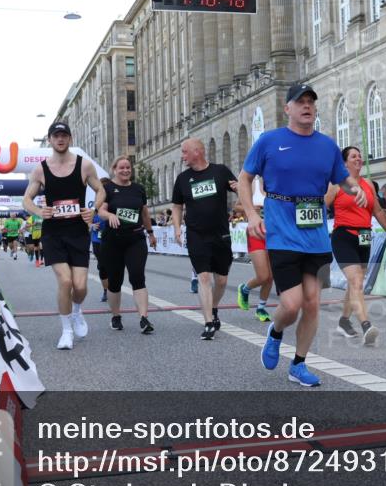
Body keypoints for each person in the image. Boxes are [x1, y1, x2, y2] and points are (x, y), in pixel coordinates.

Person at [239, 83, 366, 387]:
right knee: (292, 304)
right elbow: (245, 178)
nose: (307, 106)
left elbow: (341, 177)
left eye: (311, 102)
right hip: (282, 234)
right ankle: (276, 332)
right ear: (288, 109)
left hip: (316, 238)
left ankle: (298, 364)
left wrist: (355, 188)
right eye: (300, 102)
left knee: (311, 304)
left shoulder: (326, 146)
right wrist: (253, 214)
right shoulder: (269, 141)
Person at [22, 121, 105, 351]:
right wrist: (40, 211)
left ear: (70, 139)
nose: (60, 139)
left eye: (64, 136)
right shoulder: (40, 169)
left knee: (80, 287)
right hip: (54, 234)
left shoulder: (84, 165)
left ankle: (77, 311)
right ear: (49, 139)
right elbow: (26, 200)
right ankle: (66, 331)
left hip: (78, 232)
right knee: (65, 281)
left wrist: (93, 209)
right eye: (56, 136)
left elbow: (101, 190)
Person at [172, 138, 238, 340]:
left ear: (197, 152)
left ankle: (214, 307)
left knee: (222, 280)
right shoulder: (183, 179)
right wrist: (176, 228)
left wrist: (240, 197)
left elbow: (240, 189)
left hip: (220, 234)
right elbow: (176, 205)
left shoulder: (220, 171)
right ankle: (208, 321)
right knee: (204, 277)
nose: (182, 156)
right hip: (196, 235)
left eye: (184, 152)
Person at [326, 146, 386, 344]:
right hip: (343, 235)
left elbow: (378, 211)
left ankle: (344, 321)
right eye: (353, 156)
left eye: (360, 155)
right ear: (344, 163)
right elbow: (321, 206)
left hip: (364, 237)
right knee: (355, 281)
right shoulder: (336, 184)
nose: (358, 158)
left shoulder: (368, 185)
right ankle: (366, 325)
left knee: (356, 283)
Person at [99, 156, 157, 334]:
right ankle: (116, 316)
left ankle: (144, 318)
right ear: (114, 169)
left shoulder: (138, 189)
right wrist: (110, 216)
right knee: (115, 281)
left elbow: (145, 214)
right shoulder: (107, 188)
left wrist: (150, 233)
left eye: (128, 168)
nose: (125, 170)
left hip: (135, 238)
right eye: (121, 168)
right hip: (113, 240)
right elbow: (100, 210)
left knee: (137, 276)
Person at [236, 177, 273, 323]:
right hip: (255, 233)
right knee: (263, 275)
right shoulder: (253, 183)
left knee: (271, 276)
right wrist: (252, 208)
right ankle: (244, 289)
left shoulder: (277, 180)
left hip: (275, 233)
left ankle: (261, 308)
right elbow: (237, 207)